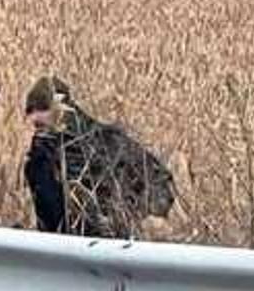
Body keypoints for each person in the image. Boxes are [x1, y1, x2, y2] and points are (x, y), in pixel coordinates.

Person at [23, 76, 174, 239]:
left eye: (43, 109)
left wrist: (141, 218)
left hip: (112, 246)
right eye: (31, 110)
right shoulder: (39, 156)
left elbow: (158, 179)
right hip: (67, 247)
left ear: (63, 107)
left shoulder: (106, 140)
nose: (34, 118)